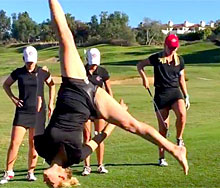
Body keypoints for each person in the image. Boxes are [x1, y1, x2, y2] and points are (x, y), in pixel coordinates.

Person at [34, 0, 188, 187]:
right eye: (50, 184)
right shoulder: (76, 156)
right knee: (132, 125)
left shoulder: (41, 148)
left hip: (73, 85)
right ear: (61, 178)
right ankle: (175, 149)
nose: (44, 181)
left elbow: (39, 114)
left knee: (65, 37)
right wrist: (115, 117)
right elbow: (98, 138)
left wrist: (39, 84)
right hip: (93, 100)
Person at [0, 46, 55, 184]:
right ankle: (9, 172)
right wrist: (13, 98)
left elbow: (52, 85)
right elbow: (6, 85)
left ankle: (30, 172)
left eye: (32, 61)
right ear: (24, 59)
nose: (30, 64)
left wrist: (50, 104)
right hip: (22, 112)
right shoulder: (18, 73)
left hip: (38, 113)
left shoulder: (42, 72)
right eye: (28, 61)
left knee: (34, 144)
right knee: (14, 143)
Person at [137, 34, 190, 167]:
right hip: (161, 95)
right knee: (163, 129)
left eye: (174, 48)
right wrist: (144, 78)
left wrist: (186, 95)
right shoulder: (156, 58)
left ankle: (179, 139)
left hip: (175, 92)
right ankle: (161, 157)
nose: (172, 50)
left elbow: (181, 79)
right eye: (170, 47)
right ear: (165, 45)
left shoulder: (179, 61)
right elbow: (140, 65)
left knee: (182, 115)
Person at [82, 48, 113, 176]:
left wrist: (110, 106)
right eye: (92, 63)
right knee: (87, 137)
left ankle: (100, 165)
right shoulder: (81, 71)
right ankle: (87, 166)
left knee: (99, 135)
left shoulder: (103, 72)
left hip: (99, 108)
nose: (94, 66)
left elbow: (109, 90)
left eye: (95, 63)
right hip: (85, 108)